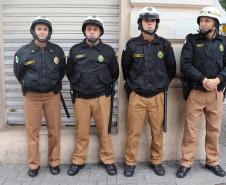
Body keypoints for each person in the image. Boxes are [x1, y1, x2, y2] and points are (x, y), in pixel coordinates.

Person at [121, 6, 176, 177]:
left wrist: (162, 85)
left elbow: (171, 69)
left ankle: (156, 161)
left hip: (157, 96)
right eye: (147, 20)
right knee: (133, 132)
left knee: (157, 132)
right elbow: (125, 68)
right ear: (141, 23)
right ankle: (130, 162)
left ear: (156, 24)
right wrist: (133, 86)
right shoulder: (131, 45)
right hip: (136, 96)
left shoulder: (164, 45)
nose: (150, 23)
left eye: (153, 21)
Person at [176, 6, 226, 178]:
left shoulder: (223, 41)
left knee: (214, 130)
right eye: (201, 20)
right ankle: (186, 162)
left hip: (216, 94)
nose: (203, 23)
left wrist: (217, 80)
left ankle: (212, 162)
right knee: (191, 130)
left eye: (207, 20)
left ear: (215, 23)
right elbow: (185, 65)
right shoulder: (191, 40)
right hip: (196, 91)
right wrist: (203, 80)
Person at [66, 15, 119, 176]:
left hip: (101, 98)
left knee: (104, 132)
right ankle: (78, 161)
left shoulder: (108, 51)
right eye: (89, 29)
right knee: (81, 133)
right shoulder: (75, 50)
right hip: (81, 98)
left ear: (100, 32)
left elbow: (114, 73)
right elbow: (69, 72)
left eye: (95, 29)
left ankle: (108, 160)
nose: (92, 32)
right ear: (85, 31)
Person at [14, 16, 66, 177]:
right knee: (32, 131)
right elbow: (18, 73)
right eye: (39, 29)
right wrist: (28, 84)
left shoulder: (57, 50)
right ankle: (33, 164)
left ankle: (54, 162)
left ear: (49, 32)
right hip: (32, 97)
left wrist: (55, 85)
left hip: (52, 96)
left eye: (45, 29)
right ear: (34, 31)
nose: (42, 32)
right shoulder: (23, 51)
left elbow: (62, 71)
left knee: (54, 130)